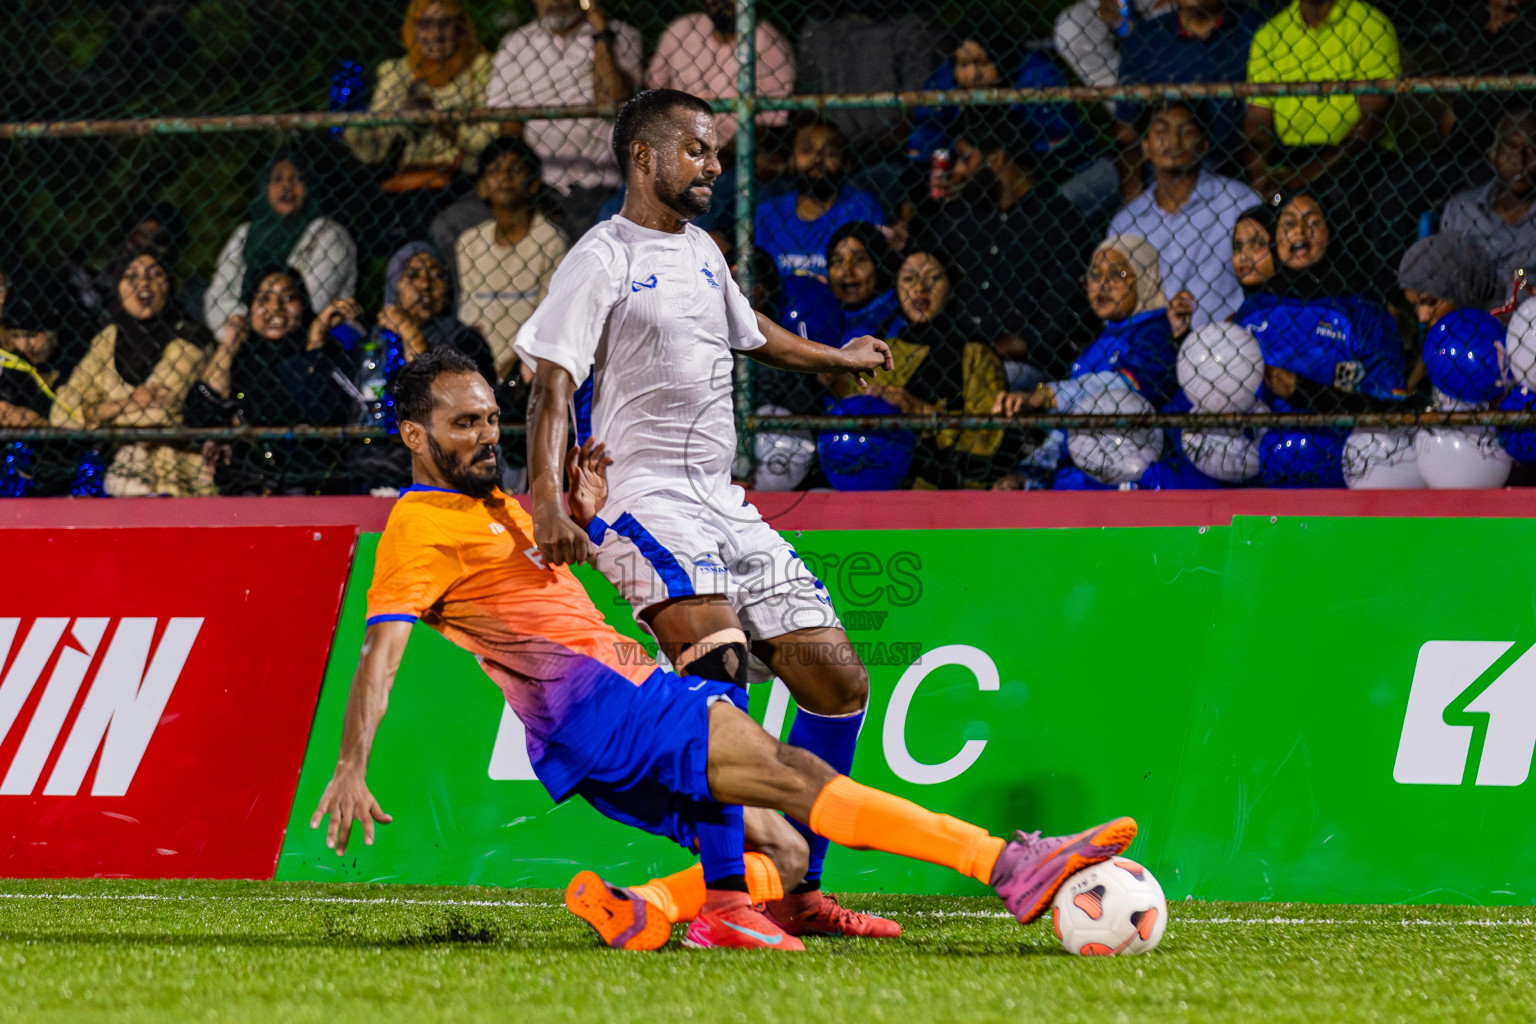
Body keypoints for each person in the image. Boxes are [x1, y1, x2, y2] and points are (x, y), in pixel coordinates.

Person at [308, 345, 1139, 951]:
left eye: (492, 419)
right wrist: (352, 763)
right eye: (464, 425)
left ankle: (653, 908)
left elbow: (540, 587)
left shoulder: (503, 510)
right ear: (415, 437)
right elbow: (382, 654)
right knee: (795, 773)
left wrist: (590, 517)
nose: (488, 436)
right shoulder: (417, 525)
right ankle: (1007, 863)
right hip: (613, 703)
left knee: (779, 845)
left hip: (579, 744)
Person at [517, 89, 913, 939]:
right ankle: (725, 899)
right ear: (643, 157)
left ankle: (799, 894)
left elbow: (753, 330)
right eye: (696, 150)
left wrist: (833, 359)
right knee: (717, 673)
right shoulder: (602, 256)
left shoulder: (700, 251)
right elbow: (552, 380)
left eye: (716, 151)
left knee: (838, 679)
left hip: (723, 501)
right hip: (642, 496)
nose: (712, 166)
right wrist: (546, 496)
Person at [1236, 191, 1407, 483]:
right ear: (1276, 238)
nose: (1299, 231)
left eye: (1312, 222)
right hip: (1257, 464)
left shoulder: (1361, 310)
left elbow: (1389, 400)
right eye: (1288, 223)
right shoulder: (1252, 312)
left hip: (1350, 461)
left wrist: (1304, 390)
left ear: (1333, 231)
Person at [921, 111, 1096, 385]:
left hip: (1026, 367)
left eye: (967, 159)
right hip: (954, 357)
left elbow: (1055, 323)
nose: (957, 171)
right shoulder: (959, 215)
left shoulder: (1059, 220)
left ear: (997, 159)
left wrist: (986, 352)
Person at [49, 250, 215, 496]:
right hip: (119, 466)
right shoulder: (109, 337)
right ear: (118, 286)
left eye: (155, 275)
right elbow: (60, 413)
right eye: (131, 276)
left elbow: (161, 413)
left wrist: (95, 414)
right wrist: (127, 404)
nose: (144, 285)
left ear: (169, 284)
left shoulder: (190, 335)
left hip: (176, 472)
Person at [851, 249, 1009, 488]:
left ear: (952, 287)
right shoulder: (881, 351)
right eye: (908, 279)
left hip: (945, 489)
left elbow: (986, 443)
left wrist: (923, 412)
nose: (920, 288)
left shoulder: (976, 353)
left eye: (933, 278)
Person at [487, 0, 643, 238]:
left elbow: (613, 101)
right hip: (537, 182)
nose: (555, 3)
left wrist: (601, 35)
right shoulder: (516, 43)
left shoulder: (619, 34)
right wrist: (527, 187)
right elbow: (510, 127)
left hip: (600, 180)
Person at [343, 0, 495, 243]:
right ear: (413, 28)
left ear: (459, 26)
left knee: (433, 224)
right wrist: (357, 128)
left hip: (463, 176)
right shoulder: (399, 72)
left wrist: (440, 122)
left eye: (444, 23)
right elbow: (374, 151)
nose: (434, 34)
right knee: (350, 219)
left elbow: (488, 141)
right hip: (409, 177)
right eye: (425, 24)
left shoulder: (479, 66)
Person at [199, 267, 357, 493]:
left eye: (288, 297)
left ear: (303, 305)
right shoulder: (243, 355)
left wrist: (314, 339)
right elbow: (202, 410)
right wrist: (229, 342)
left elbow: (319, 410)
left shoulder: (329, 350)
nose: (275, 308)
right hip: (248, 484)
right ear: (250, 307)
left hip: (311, 483)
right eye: (264, 299)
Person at [1109, 102, 1260, 331]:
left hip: (1230, 340)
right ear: (1145, 146)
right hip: (1150, 349)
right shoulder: (1126, 223)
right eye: (1161, 130)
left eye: (1186, 131)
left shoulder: (1239, 202)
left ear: (1204, 145)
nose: (1173, 140)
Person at [994, 235, 1180, 416]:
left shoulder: (1155, 331)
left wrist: (1047, 395)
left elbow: (1126, 388)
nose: (1102, 284)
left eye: (1118, 273)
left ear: (1144, 276)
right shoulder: (1109, 333)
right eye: (1094, 274)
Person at [1242, 0, 1402, 198]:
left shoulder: (1371, 24)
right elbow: (1257, 119)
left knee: (1340, 189)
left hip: (1358, 153)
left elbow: (1373, 119)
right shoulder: (1270, 34)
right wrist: (1261, 175)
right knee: (1237, 188)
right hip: (1292, 152)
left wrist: (1307, 174)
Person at [755, 119, 886, 341]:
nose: (818, 159)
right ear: (792, 160)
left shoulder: (861, 207)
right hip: (777, 333)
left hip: (847, 331)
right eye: (807, 150)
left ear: (845, 161)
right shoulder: (768, 213)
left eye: (830, 152)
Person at [203, 151, 358, 338]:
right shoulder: (245, 234)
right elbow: (216, 297)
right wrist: (241, 329)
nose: (286, 187)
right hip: (246, 342)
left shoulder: (331, 235)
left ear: (310, 187)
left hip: (319, 340)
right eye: (277, 179)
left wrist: (251, 321)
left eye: (296, 180)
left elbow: (312, 302)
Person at [453, 138, 567, 381]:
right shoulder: (470, 242)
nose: (504, 177)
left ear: (534, 183)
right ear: (482, 186)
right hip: (481, 365)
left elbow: (550, 317)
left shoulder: (550, 240)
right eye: (494, 170)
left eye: (515, 169)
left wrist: (517, 361)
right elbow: (471, 320)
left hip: (529, 365)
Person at [1113, 0, 1266, 182]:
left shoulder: (1256, 28)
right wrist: (1132, 185)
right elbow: (1126, 130)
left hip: (1234, 160)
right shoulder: (1146, 39)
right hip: (1159, 164)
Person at [907, 23, 1085, 171]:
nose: (973, 74)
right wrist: (944, 164)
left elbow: (1052, 141)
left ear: (1000, 58)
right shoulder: (945, 79)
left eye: (982, 63)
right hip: (973, 172)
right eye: (963, 64)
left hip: (1058, 169)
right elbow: (927, 135)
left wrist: (984, 155)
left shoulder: (1036, 75)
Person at [646, 0, 796, 149]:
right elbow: (651, 90)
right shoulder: (682, 30)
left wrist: (716, 152)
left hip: (732, 154)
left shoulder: (769, 44)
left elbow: (769, 128)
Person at [796, 2, 937, 157]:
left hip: (891, 150)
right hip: (837, 148)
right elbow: (810, 98)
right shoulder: (819, 25)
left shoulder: (908, 24)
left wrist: (900, 130)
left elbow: (920, 98)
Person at [1442, 106, 1536, 288]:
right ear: (1492, 157)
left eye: (1532, 149)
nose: (1519, 159)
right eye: (1510, 148)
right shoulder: (1462, 209)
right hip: (1472, 311)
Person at [1397, 233, 1499, 392]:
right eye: (1415, 306)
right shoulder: (1445, 339)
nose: (1422, 318)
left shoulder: (1504, 326)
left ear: (1460, 287)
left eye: (1431, 302)